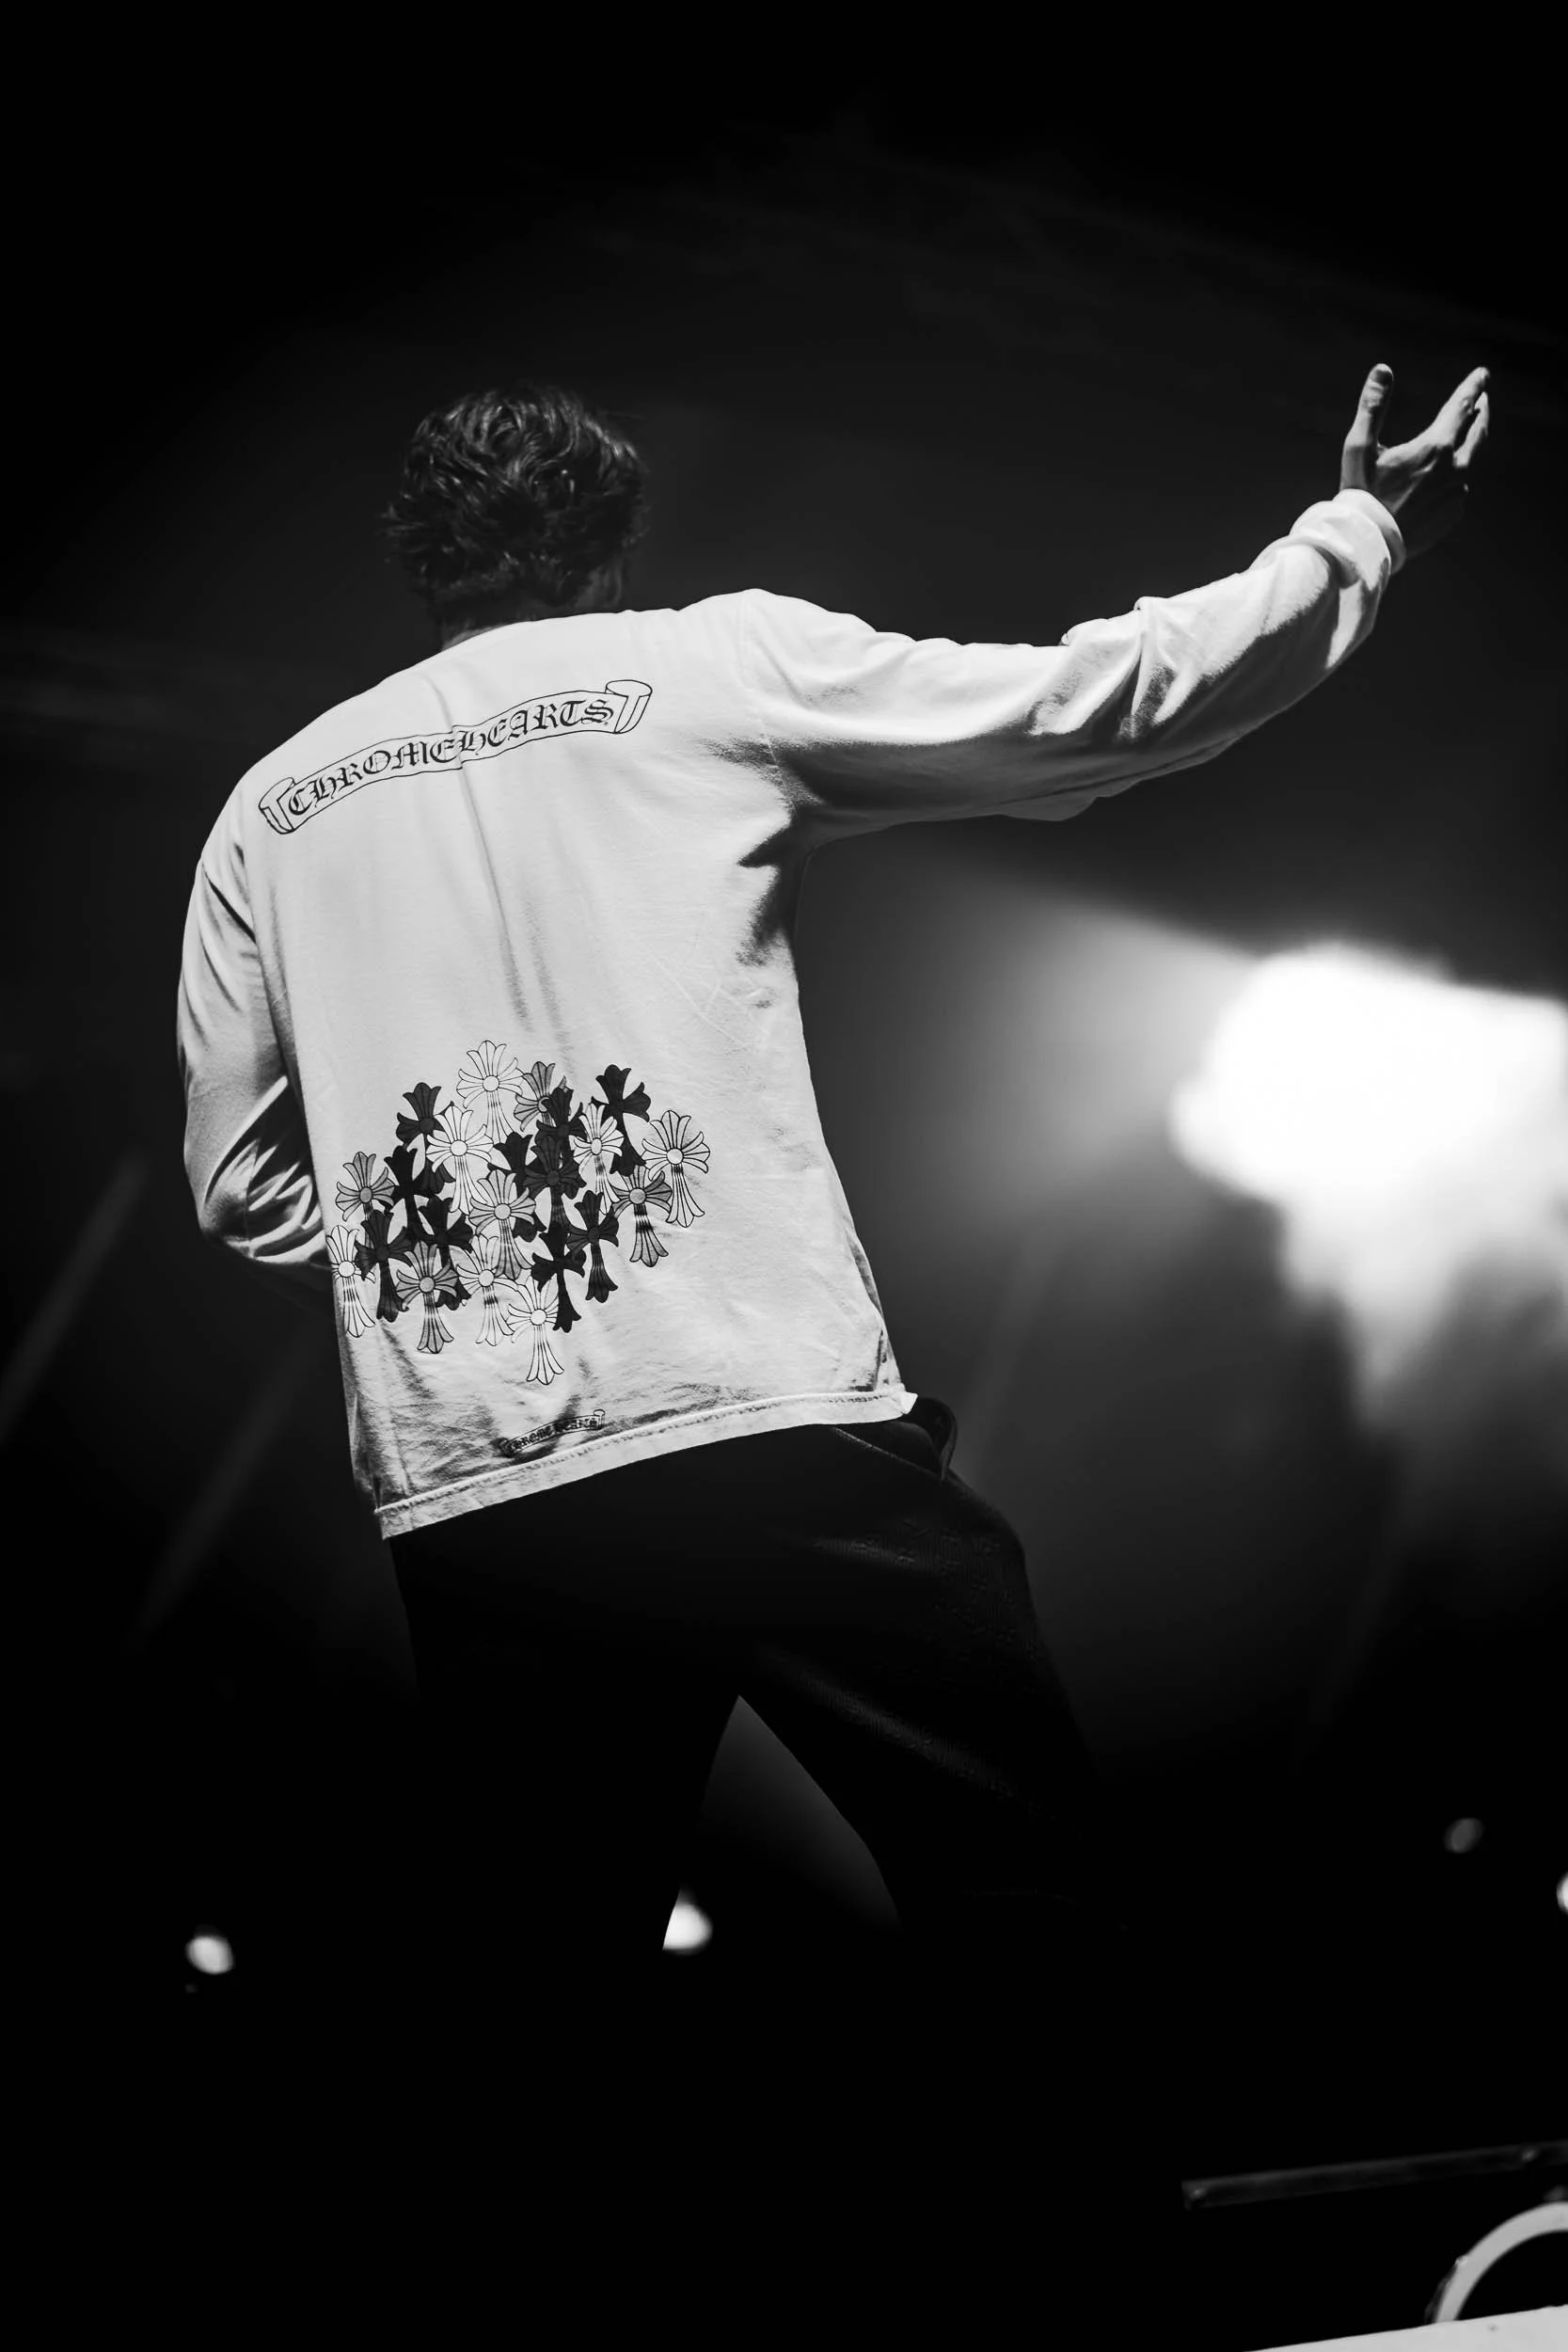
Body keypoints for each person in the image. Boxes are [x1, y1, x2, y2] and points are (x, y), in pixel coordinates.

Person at [177, 359, 1488, 2298]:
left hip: (485, 1492)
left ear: (420, 559)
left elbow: (237, 1183)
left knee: (529, 2009)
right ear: (609, 545)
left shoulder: (276, 804)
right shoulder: (701, 667)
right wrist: (1355, 533)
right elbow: (1099, 702)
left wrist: (460, 1267)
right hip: (759, 1422)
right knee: (1023, 1900)